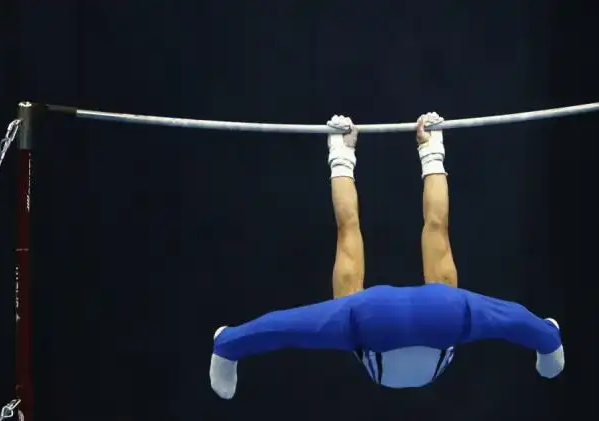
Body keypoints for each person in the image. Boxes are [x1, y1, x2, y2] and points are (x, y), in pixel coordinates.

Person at [209, 113, 564, 399]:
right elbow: (287, 328)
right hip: (372, 322)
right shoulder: (355, 329)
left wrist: (546, 339)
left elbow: (511, 319)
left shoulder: (450, 325)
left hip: (442, 316)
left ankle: (430, 147)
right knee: (347, 239)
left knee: (437, 231)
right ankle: (342, 153)